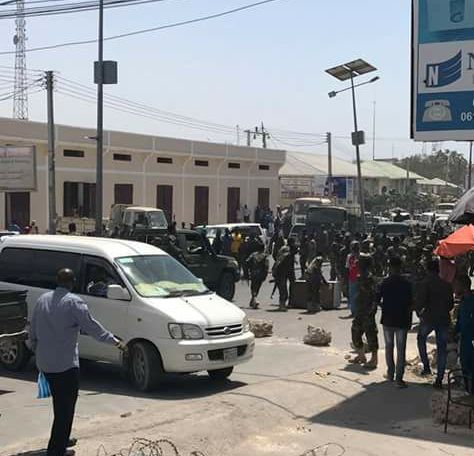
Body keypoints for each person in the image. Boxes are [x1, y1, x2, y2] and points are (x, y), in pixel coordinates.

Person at [29, 269, 126, 456]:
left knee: (60, 405)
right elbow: (93, 328)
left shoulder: (42, 300)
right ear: (72, 282)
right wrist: (116, 342)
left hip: (45, 363)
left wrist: (36, 349)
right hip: (65, 365)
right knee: (65, 409)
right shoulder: (74, 302)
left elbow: (32, 329)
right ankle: (56, 450)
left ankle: (62, 438)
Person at [416, 258, 454, 389]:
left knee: (421, 339)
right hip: (443, 318)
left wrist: (419, 312)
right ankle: (439, 378)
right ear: (438, 270)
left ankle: (426, 366)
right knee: (442, 348)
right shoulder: (446, 284)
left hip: (429, 318)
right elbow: (450, 305)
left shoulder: (425, 283)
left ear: (427, 269)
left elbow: (420, 302)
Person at [377, 256, 413, 388]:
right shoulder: (407, 283)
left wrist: (384, 306)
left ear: (390, 267)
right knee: (401, 349)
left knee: (389, 347)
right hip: (402, 320)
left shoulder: (384, 282)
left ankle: (390, 373)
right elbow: (411, 302)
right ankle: (399, 378)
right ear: (400, 267)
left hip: (387, 319)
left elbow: (377, 299)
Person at [350, 254, 378, 369]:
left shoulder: (368, 278)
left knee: (370, 333)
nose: (357, 263)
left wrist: (370, 310)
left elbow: (372, 296)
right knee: (355, 331)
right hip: (361, 310)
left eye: (359, 261)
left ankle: (374, 359)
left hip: (367, 311)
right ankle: (361, 355)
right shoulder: (361, 276)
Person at [454, 275, 474, 394]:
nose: (454, 288)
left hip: (471, 340)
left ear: (463, 286)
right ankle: (468, 391)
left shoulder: (471, 302)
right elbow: (460, 320)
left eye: (457, 285)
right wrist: (456, 331)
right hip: (464, 340)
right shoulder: (463, 301)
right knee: (465, 366)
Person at [272, 238, 296, 311]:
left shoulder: (287, 249)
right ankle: (283, 304)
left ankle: (289, 302)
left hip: (288, 270)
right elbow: (281, 259)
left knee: (292, 286)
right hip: (282, 271)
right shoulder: (287, 250)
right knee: (283, 289)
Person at [246, 242, 269, 309]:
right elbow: (266, 266)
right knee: (257, 287)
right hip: (261, 274)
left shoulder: (253, 255)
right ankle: (254, 300)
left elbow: (247, 261)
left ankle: (253, 300)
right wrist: (265, 274)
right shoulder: (265, 256)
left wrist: (248, 270)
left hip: (253, 273)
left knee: (253, 287)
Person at [346, 241, 360, 317]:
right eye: (354, 247)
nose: (355, 249)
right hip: (352, 278)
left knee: (359, 295)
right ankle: (353, 311)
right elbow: (347, 268)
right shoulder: (349, 257)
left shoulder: (361, 256)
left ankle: (358, 311)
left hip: (360, 279)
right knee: (352, 295)